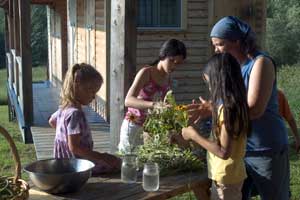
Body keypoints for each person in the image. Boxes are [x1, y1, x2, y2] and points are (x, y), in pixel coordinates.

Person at [205, 16, 289, 200]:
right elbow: (230, 104)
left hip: (264, 148)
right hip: (242, 150)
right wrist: (210, 107)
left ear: (236, 41)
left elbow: (254, 109)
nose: (216, 50)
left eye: (219, 44)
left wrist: (218, 112)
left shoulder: (261, 63)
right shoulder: (233, 66)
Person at [181, 53, 251, 200]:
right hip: (230, 175)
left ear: (219, 81)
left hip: (226, 178)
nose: (210, 89)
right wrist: (213, 110)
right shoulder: (235, 104)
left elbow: (224, 152)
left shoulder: (228, 110)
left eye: (210, 83)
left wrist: (193, 135)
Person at [49, 63, 121, 175]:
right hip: (77, 165)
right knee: (116, 163)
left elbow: (52, 121)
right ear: (76, 85)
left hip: (63, 164)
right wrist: (101, 156)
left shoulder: (63, 109)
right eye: (91, 91)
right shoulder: (75, 114)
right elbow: (75, 148)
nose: (93, 96)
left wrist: (64, 137)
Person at [118, 38, 187, 153]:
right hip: (133, 126)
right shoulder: (146, 72)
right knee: (128, 163)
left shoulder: (167, 78)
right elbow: (128, 100)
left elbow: (166, 106)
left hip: (150, 131)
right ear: (163, 55)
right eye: (172, 61)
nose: (174, 67)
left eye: (178, 64)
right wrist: (155, 105)